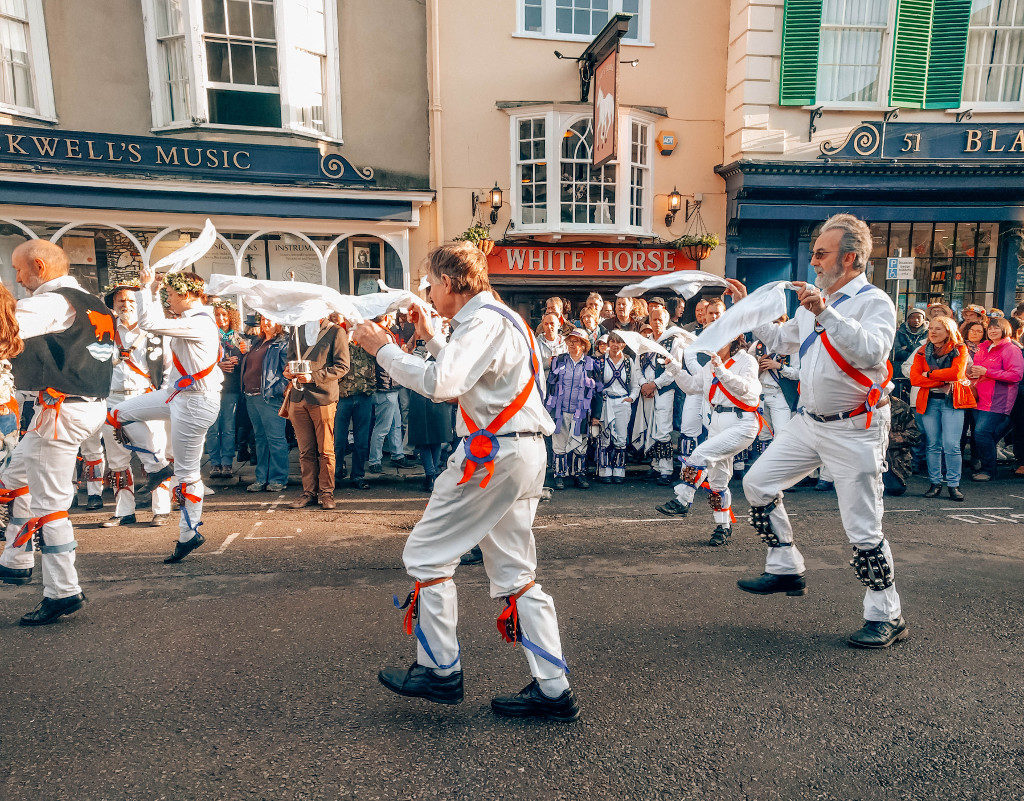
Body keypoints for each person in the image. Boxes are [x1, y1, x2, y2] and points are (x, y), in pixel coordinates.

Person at [355, 241, 577, 722]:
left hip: (492, 456)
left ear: (452, 283)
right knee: (516, 573)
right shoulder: (498, 318)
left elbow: (444, 384)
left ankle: (439, 671)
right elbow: (479, 375)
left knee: (426, 553)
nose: (428, 293)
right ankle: (554, 690)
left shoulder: (483, 321)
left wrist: (383, 349)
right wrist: (432, 339)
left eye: (430, 283)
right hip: (519, 451)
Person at [729, 213, 908, 649]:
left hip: (855, 429)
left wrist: (825, 312)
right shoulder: (816, 302)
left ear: (849, 259)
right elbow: (783, 338)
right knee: (757, 482)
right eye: (813, 253)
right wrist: (746, 308)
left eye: (821, 254)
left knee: (863, 527)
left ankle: (887, 614)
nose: (813, 262)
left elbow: (872, 350)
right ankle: (786, 564)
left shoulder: (874, 301)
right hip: (809, 423)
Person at [0, 241, 113, 625]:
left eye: (18, 270)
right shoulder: (90, 299)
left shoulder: (52, 302)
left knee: (50, 505)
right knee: (14, 478)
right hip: (74, 407)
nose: (16, 278)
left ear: (38, 266)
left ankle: (62, 591)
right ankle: (15, 560)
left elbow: (7, 331)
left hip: (61, 411)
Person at [108, 268, 223, 564]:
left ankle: (189, 533)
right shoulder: (188, 320)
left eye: (170, 294)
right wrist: (155, 288)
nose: (168, 298)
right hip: (177, 396)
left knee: (187, 472)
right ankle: (157, 467)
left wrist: (147, 288)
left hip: (195, 402)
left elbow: (149, 322)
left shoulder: (201, 323)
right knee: (118, 414)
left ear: (186, 294)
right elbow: (157, 320)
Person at [657, 334, 762, 546]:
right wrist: (675, 367)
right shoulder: (709, 367)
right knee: (717, 480)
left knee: (699, 454)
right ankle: (723, 526)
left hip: (742, 421)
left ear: (733, 339)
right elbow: (691, 386)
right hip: (717, 421)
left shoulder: (746, 360)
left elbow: (749, 390)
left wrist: (722, 371)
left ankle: (683, 499)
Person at [98, 282, 173, 528]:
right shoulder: (104, 333)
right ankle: (124, 511)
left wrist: (162, 399)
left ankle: (161, 510)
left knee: (154, 454)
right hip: (113, 400)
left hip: (146, 399)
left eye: (131, 300)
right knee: (118, 460)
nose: (126, 305)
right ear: (113, 305)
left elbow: (168, 370)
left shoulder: (155, 332)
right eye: (121, 301)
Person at [285, 317, 349, 510]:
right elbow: (291, 359)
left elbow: (342, 366)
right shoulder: (297, 330)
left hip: (323, 397)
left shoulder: (336, 331)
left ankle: (327, 493)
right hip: (298, 396)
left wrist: (313, 377)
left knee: (326, 450)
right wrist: (289, 371)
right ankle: (309, 493)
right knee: (305, 450)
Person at [909, 316, 973, 501]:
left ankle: (954, 485)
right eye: (931, 329)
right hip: (930, 401)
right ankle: (935, 483)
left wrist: (929, 374)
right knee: (933, 445)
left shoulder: (960, 348)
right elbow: (914, 379)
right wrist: (941, 379)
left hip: (952, 401)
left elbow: (957, 373)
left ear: (948, 331)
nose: (933, 332)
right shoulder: (922, 350)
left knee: (952, 445)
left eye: (938, 329)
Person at [967, 315, 1024, 481]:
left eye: (996, 328)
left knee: (981, 433)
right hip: (979, 398)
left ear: (1005, 330)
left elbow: (1016, 375)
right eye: (990, 328)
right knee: (984, 435)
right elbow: (976, 371)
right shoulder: (984, 348)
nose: (992, 330)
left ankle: (988, 470)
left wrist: (987, 372)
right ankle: (987, 468)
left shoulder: (1010, 349)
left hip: (997, 401)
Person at [546, 328, 603, 490]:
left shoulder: (592, 364)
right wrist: (548, 408)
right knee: (559, 443)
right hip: (560, 410)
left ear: (584, 345)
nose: (571, 343)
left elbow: (598, 391)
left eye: (576, 341)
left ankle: (579, 475)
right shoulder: (559, 361)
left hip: (582, 413)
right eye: (569, 340)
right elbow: (551, 385)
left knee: (581, 444)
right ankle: (559, 475)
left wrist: (596, 415)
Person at [239, 316, 290, 494]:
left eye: (269, 319)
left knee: (275, 439)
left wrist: (278, 390)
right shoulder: (257, 342)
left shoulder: (283, 343)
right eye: (262, 319)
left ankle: (278, 479)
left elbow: (286, 372)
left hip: (269, 397)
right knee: (260, 439)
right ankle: (262, 478)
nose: (265, 323)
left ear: (279, 322)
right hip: (251, 396)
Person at [633, 307, 681, 484]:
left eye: (661, 319)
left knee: (662, 429)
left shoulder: (673, 342)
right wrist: (643, 384)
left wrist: (654, 384)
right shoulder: (644, 342)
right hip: (647, 391)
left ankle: (666, 470)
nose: (657, 322)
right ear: (650, 321)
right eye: (654, 319)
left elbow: (674, 369)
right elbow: (637, 368)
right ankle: (655, 466)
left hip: (664, 390)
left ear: (666, 320)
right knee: (649, 428)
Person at [334, 320, 375, 491]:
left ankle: (358, 475)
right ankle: (335, 474)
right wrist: (348, 337)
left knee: (362, 441)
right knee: (339, 440)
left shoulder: (368, 346)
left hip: (364, 397)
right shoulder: (342, 345)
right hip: (343, 397)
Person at [206, 300, 244, 479]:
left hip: (231, 388)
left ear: (231, 317)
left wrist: (240, 359)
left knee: (228, 427)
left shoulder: (239, 338)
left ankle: (227, 462)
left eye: (224, 315)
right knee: (212, 427)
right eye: (217, 315)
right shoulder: (208, 335)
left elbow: (247, 362)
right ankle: (214, 463)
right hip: (211, 387)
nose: (221, 319)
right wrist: (218, 365)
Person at [596, 332, 637, 484]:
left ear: (623, 344)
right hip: (606, 401)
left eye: (618, 342)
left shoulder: (628, 362)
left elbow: (635, 383)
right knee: (605, 436)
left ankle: (619, 470)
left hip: (622, 402)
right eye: (611, 341)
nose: (614, 344)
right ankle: (605, 470)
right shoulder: (600, 361)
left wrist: (631, 398)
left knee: (621, 437)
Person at [368, 317, 404, 473]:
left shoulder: (378, 333)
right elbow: (389, 361)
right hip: (386, 386)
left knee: (395, 423)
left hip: (389, 386)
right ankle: (374, 460)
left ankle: (398, 455)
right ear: (387, 317)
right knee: (383, 427)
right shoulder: (383, 335)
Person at [893, 308, 927, 402]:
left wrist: (907, 348)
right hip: (900, 367)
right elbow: (897, 353)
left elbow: (927, 353)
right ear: (908, 319)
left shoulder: (928, 333)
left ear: (923, 319)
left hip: (920, 368)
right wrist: (916, 350)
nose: (916, 320)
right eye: (912, 317)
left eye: (919, 317)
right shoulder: (899, 332)